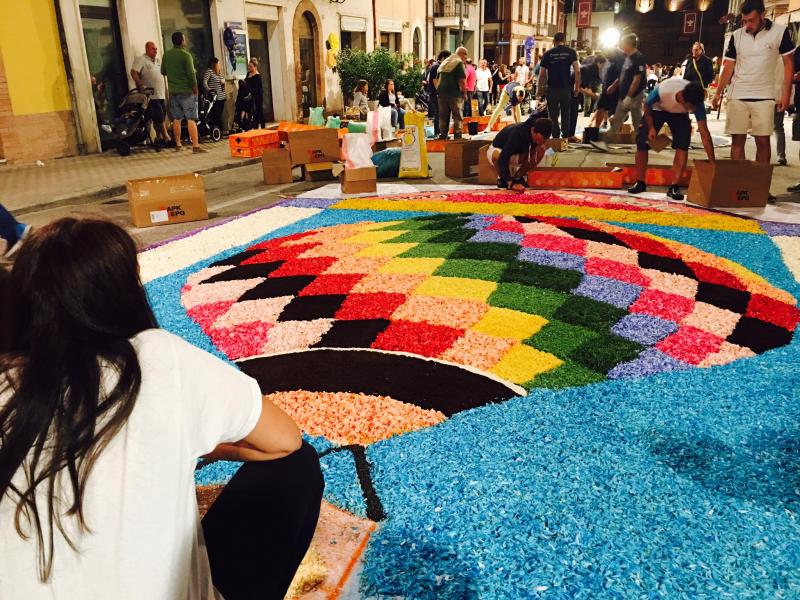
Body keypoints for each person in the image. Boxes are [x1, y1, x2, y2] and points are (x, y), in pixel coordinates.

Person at [0, 218, 324, 600]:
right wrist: (193, 444)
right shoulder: (156, 358)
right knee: (297, 467)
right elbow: (284, 440)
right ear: (123, 294)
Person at [712, 0, 794, 173]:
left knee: (762, 141)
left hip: (765, 95)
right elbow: (729, 66)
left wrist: (786, 94)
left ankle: (759, 183)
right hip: (738, 94)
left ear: (763, 15)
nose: (747, 25)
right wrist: (718, 93)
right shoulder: (737, 35)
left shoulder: (780, 32)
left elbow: (789, 64)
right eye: (744, 21)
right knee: (737, 140)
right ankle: (740, 180)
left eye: (751, 20)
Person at [628, 80, 715, 201]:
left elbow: (704, 131)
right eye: (690, 107)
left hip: (679, 115)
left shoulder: (696, 102)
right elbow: (647, 105)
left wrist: (712, 161)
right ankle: (640, 182)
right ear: (683, 99)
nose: (692, 110)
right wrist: (651, 128)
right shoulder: (663, 91)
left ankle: (674, 186)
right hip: (657, 110)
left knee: (683, 144)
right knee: (642, 141)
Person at [161, 31, 206, 153]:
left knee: (176, 119)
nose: (185, 41)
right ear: (181, 41)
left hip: (173, 92)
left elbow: (163, 71)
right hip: (187, 92)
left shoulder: (166, 55)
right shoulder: (186, 55)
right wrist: (195, 88)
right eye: (184, 39)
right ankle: (195, 146)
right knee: (191, 119)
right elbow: (191, 74)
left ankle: (178, 144)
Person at [487, 116, 554, 190]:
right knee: (497, 155)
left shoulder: (538, 137)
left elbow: (534, 152)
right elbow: (503, 157)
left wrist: (538, 147)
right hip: (499, 150)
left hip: (515, 153)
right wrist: (511, 183)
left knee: (541, 149)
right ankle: (502, 179)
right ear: (532, 130)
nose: (539, 143)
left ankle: (518, 177)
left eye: (543, 141)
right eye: (538, 140)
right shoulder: (517, 134)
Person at [538, 32, 580, 141]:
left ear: (553, 41)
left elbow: (542, 74)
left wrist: (540, 89)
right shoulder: (571, 52)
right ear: (564, 41)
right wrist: (577, 86)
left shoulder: (548, 54)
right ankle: (565, 137)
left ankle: (555, 137)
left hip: (552, 88)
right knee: (566, 113)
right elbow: (577, 70)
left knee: (553, 115)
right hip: (566, 88)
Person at [130, 41, 170, 144]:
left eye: (156, 49)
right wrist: (140, 83)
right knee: (159, 115)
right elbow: (133, 72)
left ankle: (158, 138)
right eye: (153, 49)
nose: (155, 51)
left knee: (160, 116)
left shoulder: (158, 61)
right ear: (147, 49)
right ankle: (166, 137)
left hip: (161, 94)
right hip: (150, 95)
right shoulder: (141, 59)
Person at [607, 34, 647, 133]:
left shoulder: (638, 58)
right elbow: (624, 74)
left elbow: (637, 79)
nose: (622, 46)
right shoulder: (628, 57)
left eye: (623, 44)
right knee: (616, 120)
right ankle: (609, 139)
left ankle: (641, 139)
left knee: (637, 120)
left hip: (635, 96)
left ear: (630, 44)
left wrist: (629, 96)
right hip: (624, 95)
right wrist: (614, 85)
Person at [434, 46, 468, 140]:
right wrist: (464, 93)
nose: (466, 58)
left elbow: (436, 79)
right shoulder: (458, 62)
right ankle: (458, 136)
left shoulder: (445, 61)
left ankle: (443, 135)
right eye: (466, 55)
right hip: (454, 93)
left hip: (441, 94)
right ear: (462, 54)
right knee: (457, 116)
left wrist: (439, 90)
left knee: (443, 116)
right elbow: (462, 81)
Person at [591, 47, 626, 128]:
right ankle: (596, 129)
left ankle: (617, 131)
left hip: (617, 89)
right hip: (606, 88)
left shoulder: (620, 57)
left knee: (617, 111)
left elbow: (624, 74)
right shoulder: (607, 59)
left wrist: (614, 85)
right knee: (600, 107)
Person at [427, 50, 449, 137]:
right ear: (443, 58)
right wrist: (440, 92)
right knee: (439, 113)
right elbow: (435, 80)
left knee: (440, 113)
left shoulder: (438, 66)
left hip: (437, 93)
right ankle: (438, 132)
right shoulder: (436, 66)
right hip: (436, 94)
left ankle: (440, 132)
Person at [202, 57, 227, 133]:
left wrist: (223, 83)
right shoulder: (209, 71)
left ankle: (218, 131)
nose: (219, 65)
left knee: (219, 115)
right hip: (214, 97)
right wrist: (209, 90)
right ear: (214, 64)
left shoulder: (219, 73)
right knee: (215, 115)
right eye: (218, 63)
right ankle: (214, 131)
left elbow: (222, 84)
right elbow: (204, 82)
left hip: (222, 97)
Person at [246, 58, 265, 129]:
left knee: (259, 110)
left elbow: (257, 88)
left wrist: (252, 95)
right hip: (251, 94)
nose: (249, 67)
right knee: (254, 112)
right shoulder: (248, 74)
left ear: (255, 67)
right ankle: (255, 127)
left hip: (258, 95)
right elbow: (246, 83)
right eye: (248, 66)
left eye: (250, 66)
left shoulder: (257, 76)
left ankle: (263, 127)